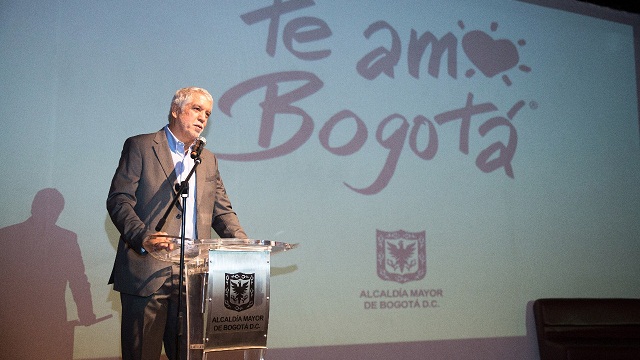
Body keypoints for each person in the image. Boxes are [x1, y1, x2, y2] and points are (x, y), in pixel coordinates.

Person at [107, 86, 247, 360]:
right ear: (175, 110)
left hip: (192, 276)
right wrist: (142, 236)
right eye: (197, 109)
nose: (203, 118)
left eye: (207, 114)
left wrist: (244, 244)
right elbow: (119, 200)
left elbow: (222, 212)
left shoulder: (207, 160)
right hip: (147, 271)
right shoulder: (141, 146)